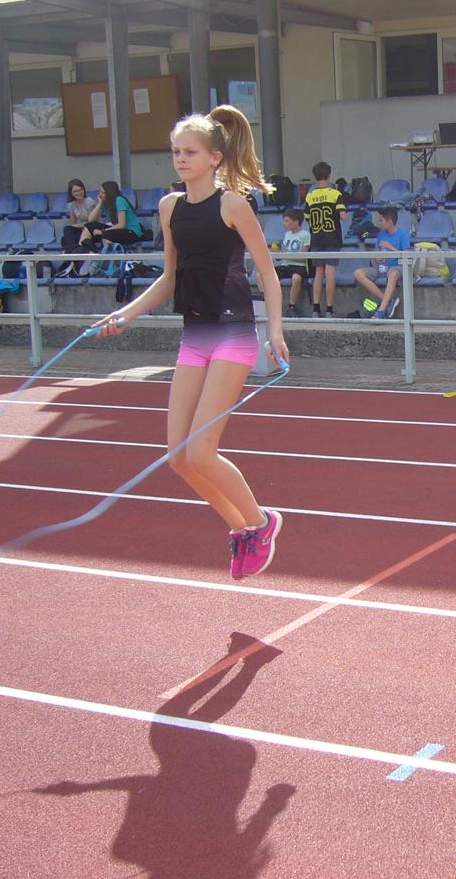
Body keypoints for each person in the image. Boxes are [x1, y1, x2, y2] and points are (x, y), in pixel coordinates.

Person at [91, 105, 290, 580]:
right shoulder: (169, 208)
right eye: (176, 151)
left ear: (214, 157)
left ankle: (262, 522)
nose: (180, 159)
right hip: (195, 336)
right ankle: (240, 527)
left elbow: (267, 273)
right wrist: (126, 314)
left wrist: (276, 330)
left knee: (202, 452)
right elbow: (169, 278)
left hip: (233, 334)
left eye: (190, 152)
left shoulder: (232, 205)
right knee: (178, 458)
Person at [305, 161, 349, 318]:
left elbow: (307, 218)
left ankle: (316, 309)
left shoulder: (310, 196)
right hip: (332, 236)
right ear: (329, 176)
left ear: (315, 177)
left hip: (316, 237)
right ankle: (329, 309)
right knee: (330, 271)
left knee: (318, 272)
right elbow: (343, 216)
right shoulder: (335, 194)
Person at [352, 206, 410, 319]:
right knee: (358, 273)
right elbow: (377, 251)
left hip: (396, 267)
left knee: (393, 273)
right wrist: (376, 258)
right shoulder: (381, 234)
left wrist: (391, 248)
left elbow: (407, 256)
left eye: (381, 220)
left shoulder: (403, 235)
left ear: (390, 222)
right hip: (381, 267)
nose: (380, 223)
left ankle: (381, 310)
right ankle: (388, 300)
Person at [79, 180, 145, 254]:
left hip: (131, 232)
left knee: (106, 234)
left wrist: (103, 231)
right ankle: (83, 250)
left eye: (103, 192)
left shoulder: (119, 200)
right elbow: (90, 219)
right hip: (116, 230)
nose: (100, 195)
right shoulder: (106, 202)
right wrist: (100, 203)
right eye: (100, 192)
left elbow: (121, 225)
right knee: (89, 226)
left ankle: (108, 255)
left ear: (109, 193)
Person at [272, 209, 311, 317]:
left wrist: (287, 255)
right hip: (286, 265)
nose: (284, 224)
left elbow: (303, 257)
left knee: (296, 278)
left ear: (296, 221)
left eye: (286, 221)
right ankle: (269, 303)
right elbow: (283, 253)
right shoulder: (287, 234)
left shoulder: (305, 235)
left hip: (299, 266)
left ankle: (291, 306)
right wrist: (278, 252)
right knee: (265, 275)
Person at [57, 179, 97, 278]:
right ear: (71, 193)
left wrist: (79, 226)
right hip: (81, 229)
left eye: (80, 190)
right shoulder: (72, 204)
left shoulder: (89, 202)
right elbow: (73, 223)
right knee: (65, 234)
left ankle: (71, 256)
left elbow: (92, 222)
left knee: (66, 236)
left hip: (91, 230)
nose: (79, 193)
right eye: (75, 191)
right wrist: (76, 226)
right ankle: (75, 252)